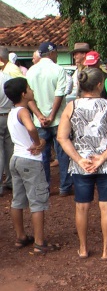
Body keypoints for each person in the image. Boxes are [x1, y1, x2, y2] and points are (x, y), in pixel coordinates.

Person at [57, 67, 107, 260]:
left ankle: (83, 248)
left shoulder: (71, 107)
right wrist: (103, 157)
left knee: (82, 207)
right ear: (99, 85)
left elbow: (62, 137)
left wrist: (79, 159)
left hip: (82, 165)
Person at [4, 77, 60, 255]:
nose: (32, 90)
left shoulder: (12, 111)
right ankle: (39, 241)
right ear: (23, 93)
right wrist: (39, 142)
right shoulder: (24, 112)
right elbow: (31, 128)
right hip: (30, 159)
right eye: (29, 88)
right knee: (37, 201)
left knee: (18, 200)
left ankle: (21, 236)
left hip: (16, 158)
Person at [26, 42, 73, 196]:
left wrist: (40, 115)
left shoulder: (31, 71)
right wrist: (52, 116)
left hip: (39, 120)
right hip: (59, 119)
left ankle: (45, 186)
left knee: (42, 154)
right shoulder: (58, 70)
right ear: (52, 53)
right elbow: (60, 94)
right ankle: (64, 187)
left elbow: (28, 98)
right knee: (63, 152)